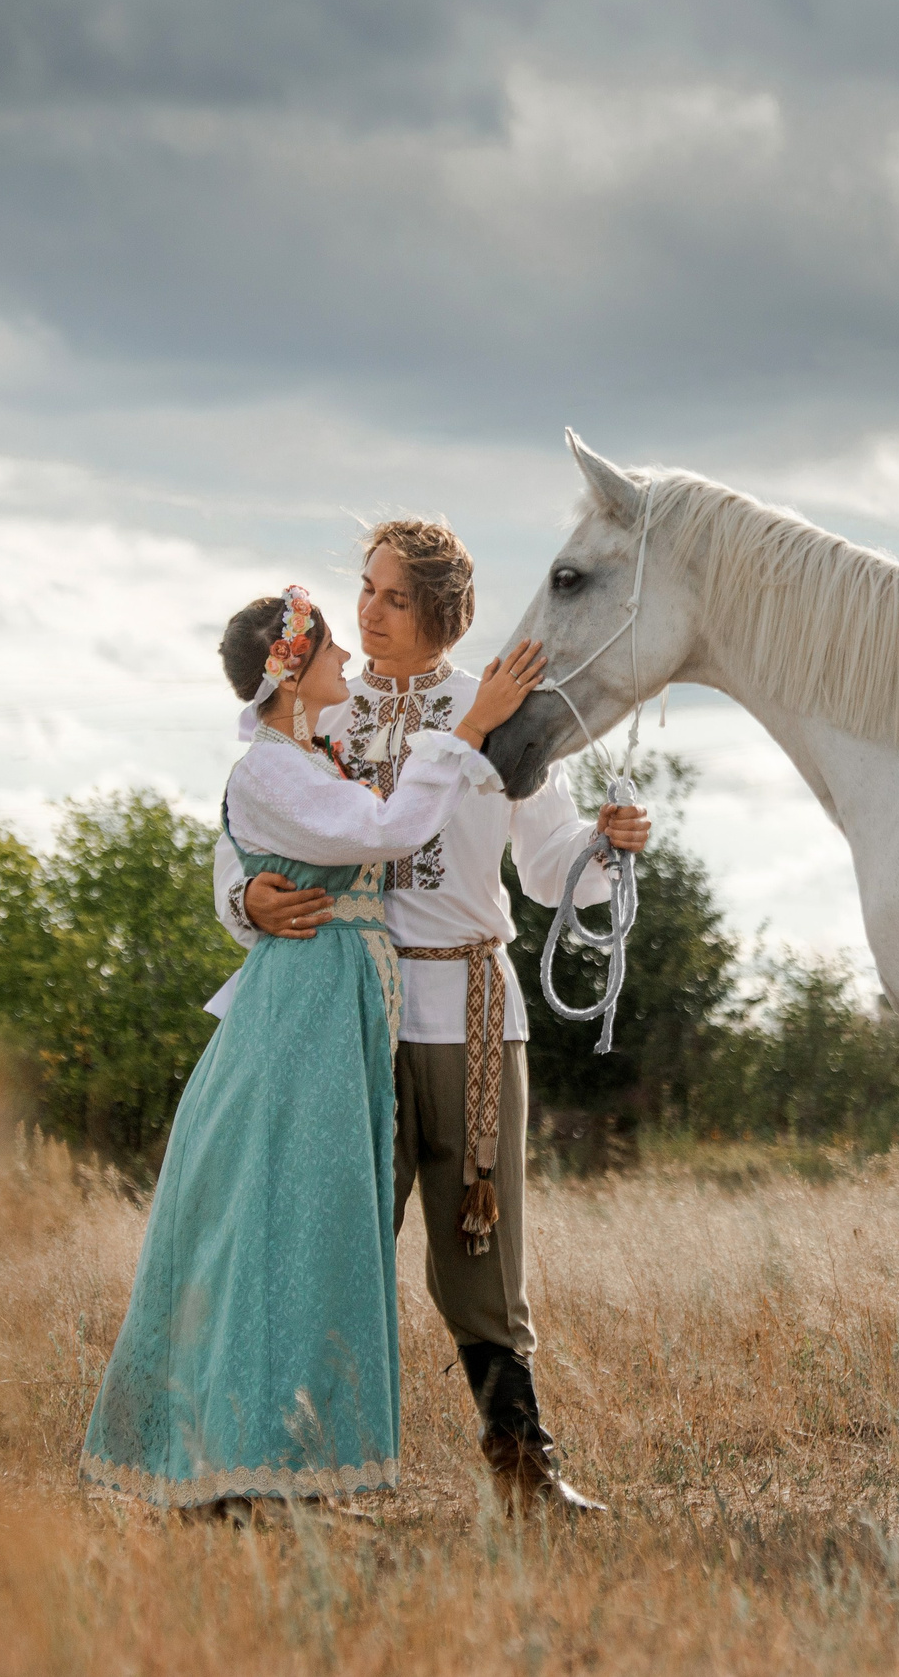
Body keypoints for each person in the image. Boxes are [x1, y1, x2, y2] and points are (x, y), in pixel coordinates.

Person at [216, 520, 649, 1512]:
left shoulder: (501, 712)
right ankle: (293, 1474)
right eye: (365, 591)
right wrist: (246, 902)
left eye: (393, 597)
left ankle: (525, 1472)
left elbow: (548, 868)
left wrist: (608, 844)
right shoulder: (324, 706)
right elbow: (243, 841)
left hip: (472, 1011)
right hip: (348, 1013)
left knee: (482, 1254)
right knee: (333, 1241)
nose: (367, 613)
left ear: (442, 613)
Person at [82, 585, 538, 1517]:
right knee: (281, 1226)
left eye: (384, 598)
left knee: (314, 1233)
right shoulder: (270, 768)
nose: (350, 648)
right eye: (331, 640)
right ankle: (240, 1473)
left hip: (348, 1009)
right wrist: (468, 732)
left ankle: (288, 1473)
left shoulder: (308, 752)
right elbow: (376, 831)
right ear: (290, 671)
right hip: (305, 1010)